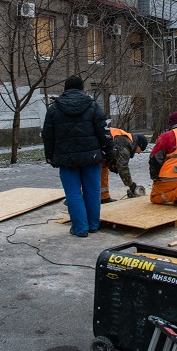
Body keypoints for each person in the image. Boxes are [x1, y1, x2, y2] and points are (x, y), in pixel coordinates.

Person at [41, 76, 114, 237]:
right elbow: (104, 132)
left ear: (65, 89)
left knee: (73, 193)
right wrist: (109, 153)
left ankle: (80, 228)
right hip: (91, 157)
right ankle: (94, 225)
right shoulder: (93, 106)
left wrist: (50, 157)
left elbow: (48, 135)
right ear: (82, 89)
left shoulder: (54, 109)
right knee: (92, 191)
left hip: (67, 160)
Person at [101, 129, 149, 203]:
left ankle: (103, 197)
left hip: (96, 149)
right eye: (141, 149)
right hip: (90, 150)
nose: (139, 153)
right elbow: (123, 166)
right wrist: (132, 186)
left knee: (103, 166)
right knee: (93, 171)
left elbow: (110, 153)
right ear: (139, 144)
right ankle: (84, 199)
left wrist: (111, 163)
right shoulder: (125, 142)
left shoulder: (124, 138)